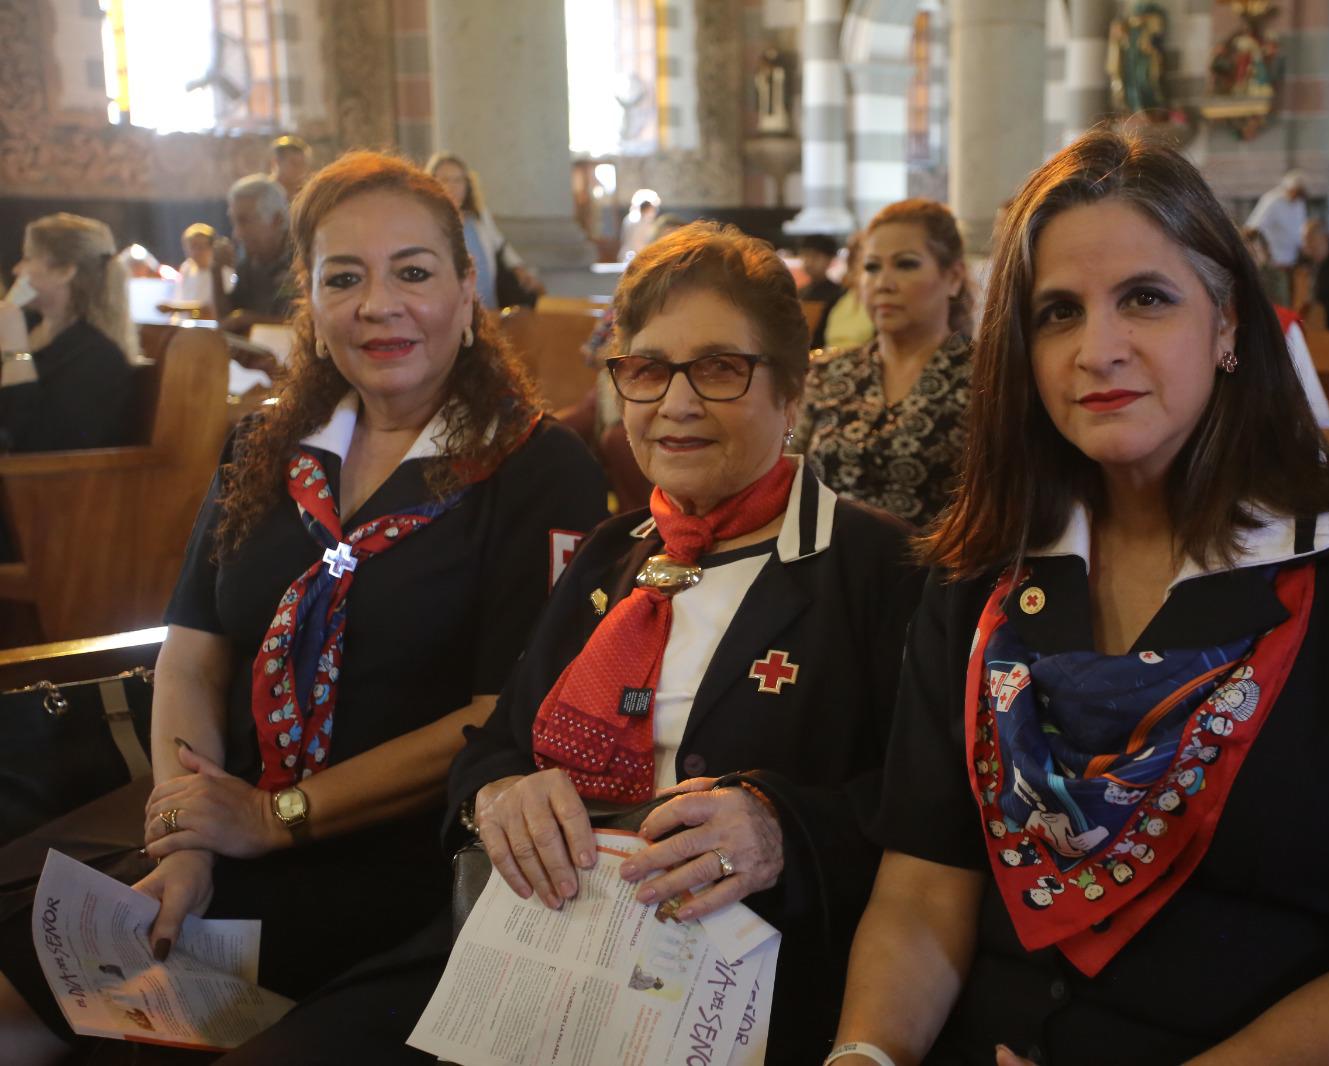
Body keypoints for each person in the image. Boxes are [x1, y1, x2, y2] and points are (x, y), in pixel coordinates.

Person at [829, 127, 1329, 1066]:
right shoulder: (980, 572)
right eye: (1058, 312)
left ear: (1228, 325)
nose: (1098, 350)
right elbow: (924, 886)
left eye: (1146, 298)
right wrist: (866, 1055)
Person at [214, 221, 922, 1066]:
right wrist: (500, 794)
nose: (676, 404)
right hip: (529, 951)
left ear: (791, 390)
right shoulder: (612, 552)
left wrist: (780, 828)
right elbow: (495, 745)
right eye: (647, 370)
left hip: (721, 984)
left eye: (720, 369)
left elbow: (927, 823)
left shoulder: (877, 567)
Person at [0, 151, 609, 1062]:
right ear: (312, 304)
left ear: (467, 291)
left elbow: (501, 715)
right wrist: (187, 839)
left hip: (405, 863)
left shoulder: (538, 469)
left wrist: (273, 819)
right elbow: (193, 654)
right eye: (344, 278)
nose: (378, 305)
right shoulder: (267, 442)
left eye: (413, 272)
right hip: (222, 838)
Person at [795, 199, 972, 528]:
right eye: (872, 267)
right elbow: (789, 480)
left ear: (953, 277)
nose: (883, 283)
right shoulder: (827, 372)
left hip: (943, 559)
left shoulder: (987, 376)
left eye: (905, 264)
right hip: (827, 557)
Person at [0, 213, 141, 453]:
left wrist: (15, 349)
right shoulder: (30, 325)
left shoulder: (99, 357)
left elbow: (30, 444)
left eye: (28, 258)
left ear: (64, 271)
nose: (16, 269)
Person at [425, 152, 544, 310]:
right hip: (451, 305)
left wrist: (520, 271)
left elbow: (500, 245)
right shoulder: (428, 220)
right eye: (445, 179)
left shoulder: (478, 215)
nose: (452, 186)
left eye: (458, 180)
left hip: (487, 301)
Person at [215, 173, 296, 330]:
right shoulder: (249, 261)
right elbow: (226, 323)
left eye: (244, 221)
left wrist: (250, 321)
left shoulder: (304, 259)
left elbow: (311, 323)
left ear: (277, 220)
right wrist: (216, 271)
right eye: (233, 222)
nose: (236, 234)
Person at [1244, 170, 1307, 306]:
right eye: (1294, 192)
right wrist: (1263, 254)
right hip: (1273, 265)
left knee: (1289, 304)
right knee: (1277, 303)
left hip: (1292, 263)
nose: (1296, 196)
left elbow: (1300, 231)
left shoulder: (1299, 203)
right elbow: (1252, 229)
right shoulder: (1272, 201)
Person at [822, 232, 875, 350]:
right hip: (829, 357)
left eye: (868, 263)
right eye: (856, 260)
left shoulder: (882, 301)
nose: (859, 267)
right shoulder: (837, 298)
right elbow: (817, 341)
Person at [797, 233, 845, 348]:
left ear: (829, 260)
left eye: (815, 256)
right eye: (805, 255)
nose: (809, 262)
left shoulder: (839, 294)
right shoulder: (799, 293)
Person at [173, 222, 218, 317]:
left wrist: (173, 308)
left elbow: (214, 308)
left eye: (201, 247)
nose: (196, 252)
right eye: (192, 246)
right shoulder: (186, 268)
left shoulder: (221, 271)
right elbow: (179, 299)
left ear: (212, 247)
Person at [269, 134, 314, 203]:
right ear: (276, 162)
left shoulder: (308, 195)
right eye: (294, 163)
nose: (300, 169)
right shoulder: (262, 192)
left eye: (303, 164)